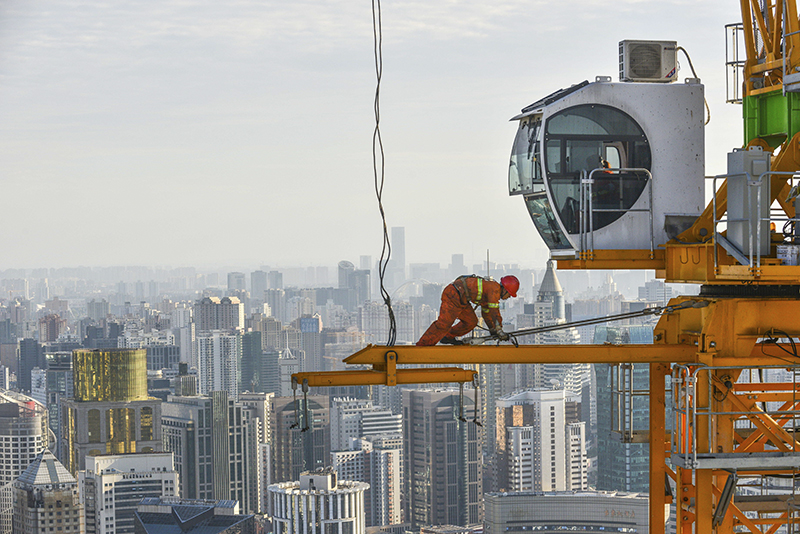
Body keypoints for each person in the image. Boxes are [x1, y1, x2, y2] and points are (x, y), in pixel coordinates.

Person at [416, 275, 519, 346]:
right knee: (444, 323)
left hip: (462, 298)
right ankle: (423, 345)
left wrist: (493, 329)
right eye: (509, 294)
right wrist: (499, 330)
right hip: (453, 294)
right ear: (505, 289)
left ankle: (448, 336)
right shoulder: (494, 290)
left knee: (471, 322)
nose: (509, 297)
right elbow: (494, 312)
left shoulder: (489, 292)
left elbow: (487, 313)